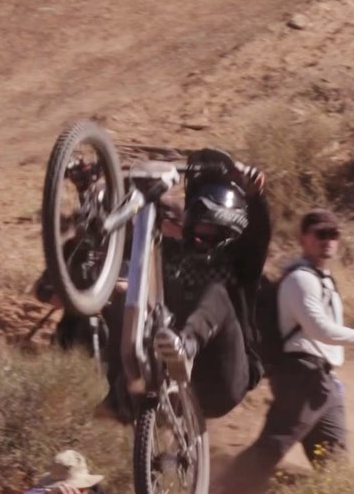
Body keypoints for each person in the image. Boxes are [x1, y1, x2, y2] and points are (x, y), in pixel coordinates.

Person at [215, 207, 354, 494]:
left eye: (333, 234)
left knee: (334, 459)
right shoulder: (300, 280)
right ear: (303, 239)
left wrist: (330, 371)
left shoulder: (323, 279)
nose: (328, 240)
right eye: (320, 234)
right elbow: (319, 329)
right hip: (301, 377)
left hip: (321, 380)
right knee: (273, 444)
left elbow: (321, 336)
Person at [98, 150, 270, 423]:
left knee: (217, 294)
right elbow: (122, 247)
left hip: (222, 379)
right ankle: (123, 393)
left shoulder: (240, 263)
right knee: (126, 297)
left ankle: (185, 346)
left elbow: (259, 235)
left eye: (210, 232)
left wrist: (255, 196)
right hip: (170, 369)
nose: (202, 239)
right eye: (198, 231)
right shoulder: (170, 252)